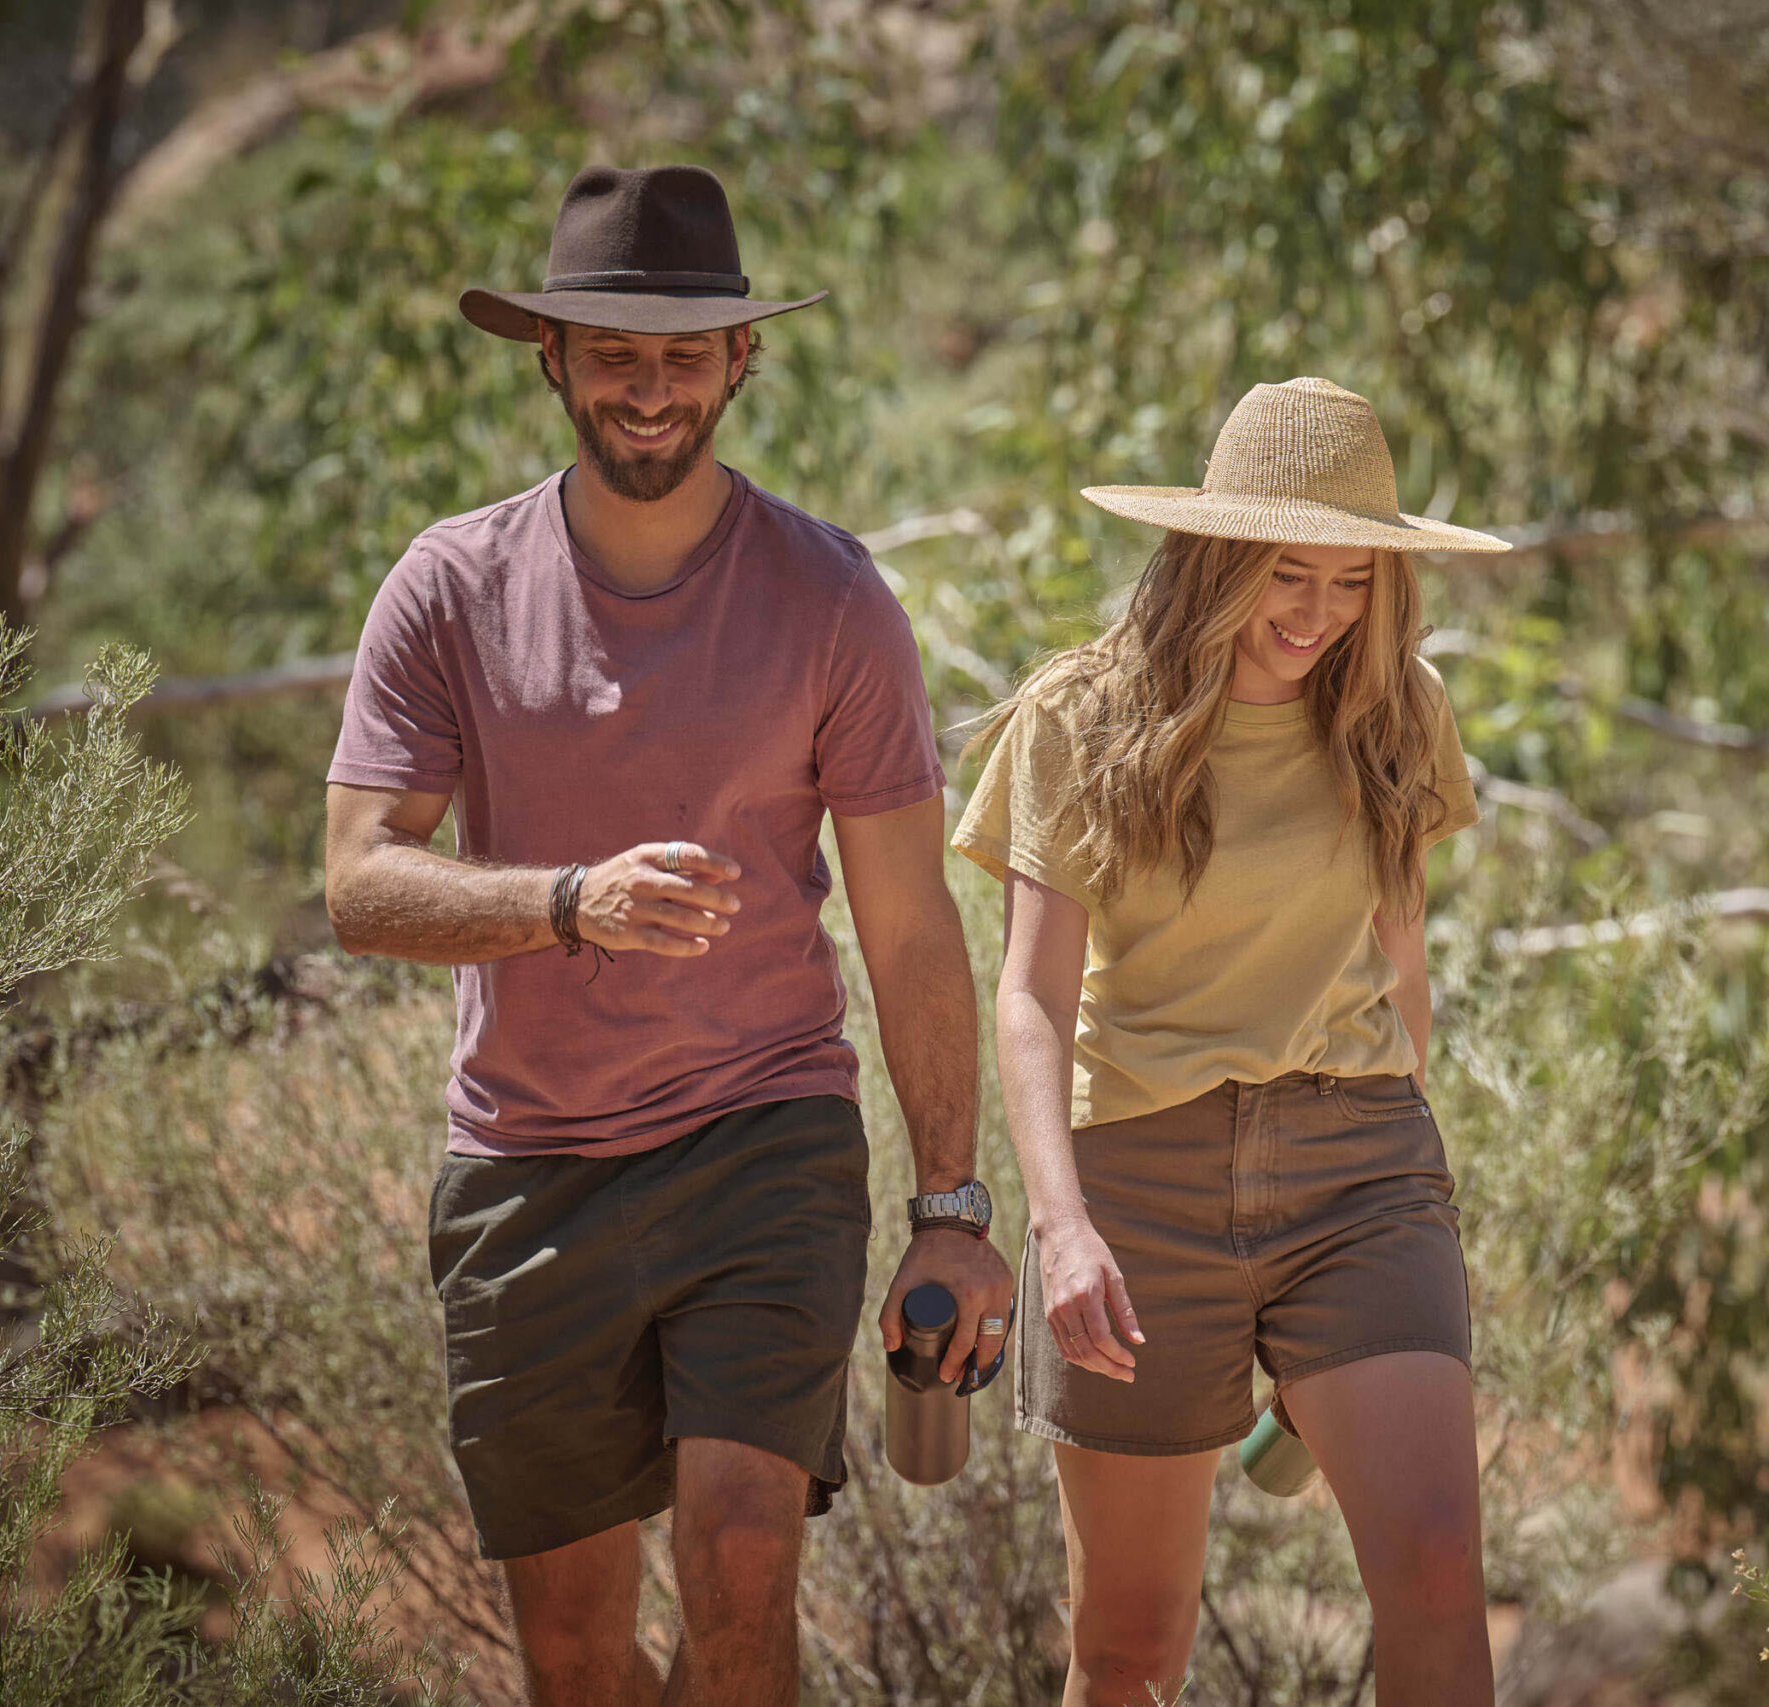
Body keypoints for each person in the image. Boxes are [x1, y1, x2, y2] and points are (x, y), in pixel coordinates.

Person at [323, 164, 1012, 1707]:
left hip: (762, 1139)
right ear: (551, 357)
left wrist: (953, 1204)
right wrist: (568, 905)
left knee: (743, 1565)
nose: (651, 390)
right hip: (525, 1166)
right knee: (574, 1661)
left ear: (742, 362)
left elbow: (909, 931)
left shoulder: (834, 601)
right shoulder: (449, 589)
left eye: (685, 355)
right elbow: (361, 884)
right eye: (616, 355)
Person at [952, 377, 1512, 1705]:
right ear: (1212, 560)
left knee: (1437, 1570)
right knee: (1132, 1651)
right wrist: (1061, 1224)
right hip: (1139, 1185)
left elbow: (1402, 962)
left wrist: (1423, 1170)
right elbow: (1030, 994)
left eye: (1351, 582)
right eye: (1284, 575)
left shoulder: (1396, 716)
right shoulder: (1081, 719)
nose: (1315, 615)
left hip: (1359, 1170)